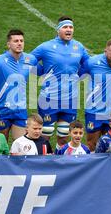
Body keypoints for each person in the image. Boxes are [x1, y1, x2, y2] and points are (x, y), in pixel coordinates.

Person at [31, 16, 89, 152]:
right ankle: (42, 161)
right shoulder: (46, 46)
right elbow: (28, 60)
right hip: (49, 98)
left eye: (71, 27)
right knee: (46, 133)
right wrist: (42, 71)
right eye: (65, 27)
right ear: (58, 30)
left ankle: (59, 160)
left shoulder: (78, 47)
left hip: (70, 99)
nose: (69, 30)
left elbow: (89, 64)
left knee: (63, 135)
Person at [0, 29, 38, 141]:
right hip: (1, 110)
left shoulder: (30, 60)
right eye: (16, 41)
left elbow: (42, 70)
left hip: (20, 110)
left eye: (21, 41)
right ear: (8, 44)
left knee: (21, 147)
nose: (19, 43)